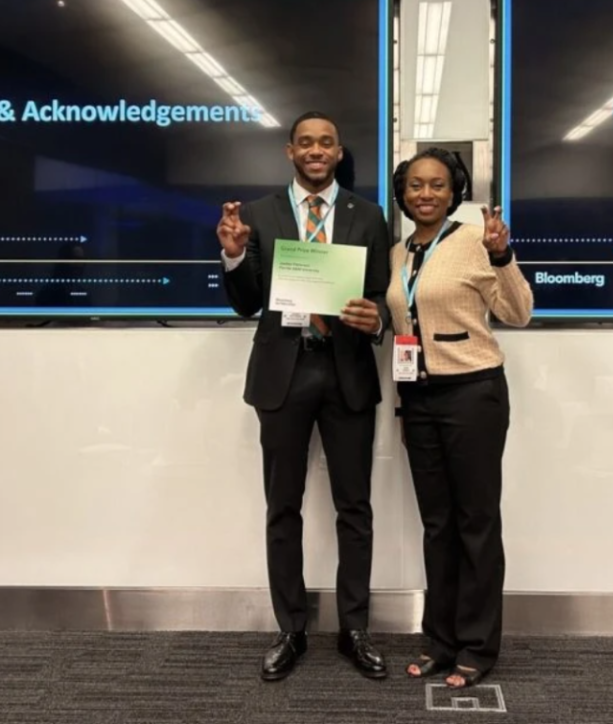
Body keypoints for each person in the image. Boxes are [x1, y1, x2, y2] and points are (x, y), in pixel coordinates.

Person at [217, 111, 391, 682]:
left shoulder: (368, 217)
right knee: (282, 507)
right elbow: (246, 304)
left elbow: (380, 299)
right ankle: (291, 629)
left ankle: (354, 629)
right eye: (306, 143)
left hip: (346, 374)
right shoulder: (260, 216)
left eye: (327, 143)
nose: (317, 151)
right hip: (284, 376)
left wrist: (376, 318)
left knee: (355, 508)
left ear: (339, 153)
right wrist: (235, 257)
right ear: (290, 151)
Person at [387, 147, 533, 688]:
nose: (426, 194)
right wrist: (404, 402)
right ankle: (440, 641)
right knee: (437, 526)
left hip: (473, 394)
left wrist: (503, 256)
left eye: (438, 185)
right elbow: (405, 331)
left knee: (475, 523)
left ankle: (477, 646)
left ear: (455, 192)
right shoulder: (399, 253)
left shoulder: (476, 240)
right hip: (419, 399)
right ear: (403, 193)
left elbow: (519, 312)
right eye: (416, 185)